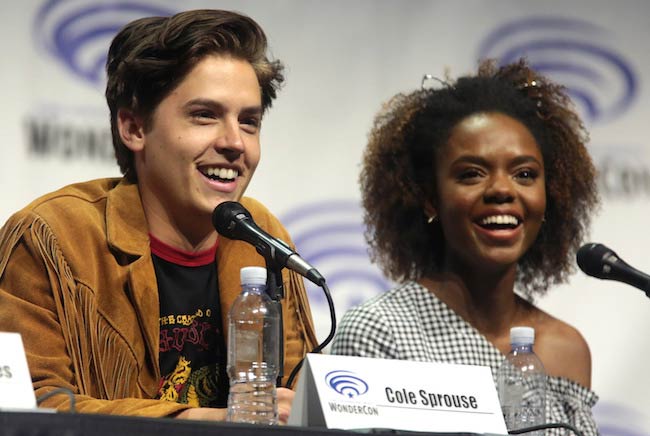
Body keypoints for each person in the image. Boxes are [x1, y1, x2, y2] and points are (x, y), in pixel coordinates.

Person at [0, 9, 317, 422]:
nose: (235, 142)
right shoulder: (52, 236)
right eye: (205, 114)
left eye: (249, 121)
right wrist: (197, 422)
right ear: (134, 128)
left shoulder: (260, 236)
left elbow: (294, 394)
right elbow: (31, 406)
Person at [331, 59, 600, 435]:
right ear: (429, 199)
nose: (502, 190)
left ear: (549, 194)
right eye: (471, 173)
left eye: (524, 174)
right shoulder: (381, 331)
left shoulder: (566, 349)